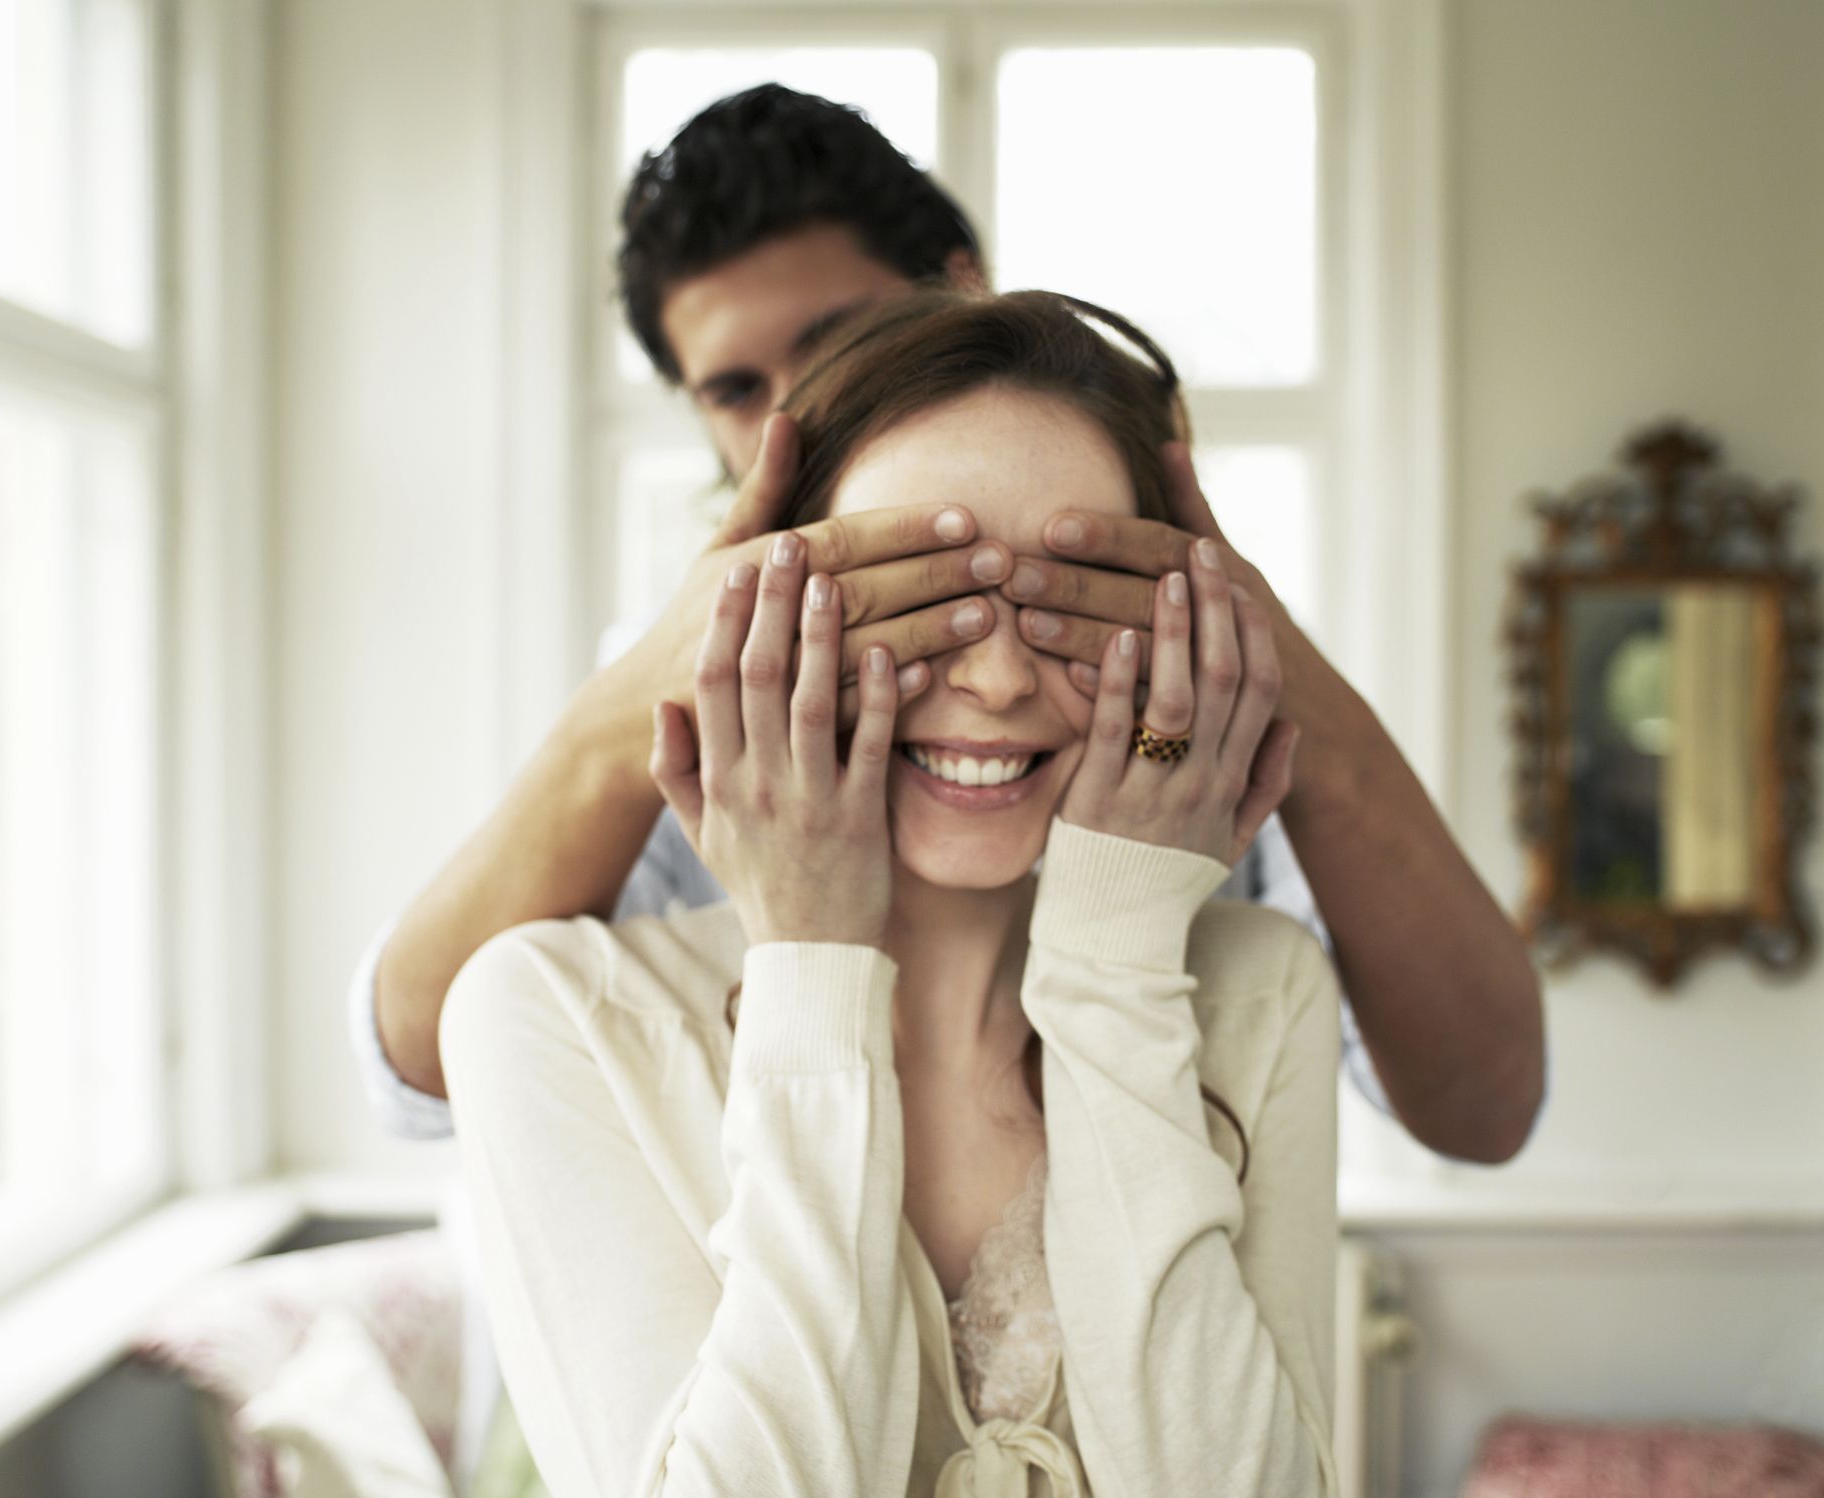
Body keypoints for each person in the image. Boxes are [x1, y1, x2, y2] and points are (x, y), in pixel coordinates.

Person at [350, 84, 1545, 1175]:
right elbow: (421, 1068)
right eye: (733, 390)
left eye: (836, 342)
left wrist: (1287, 697)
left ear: (959, 299)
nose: (800, 410)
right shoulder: (667, 710)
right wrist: (629, 722)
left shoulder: (1173, 706)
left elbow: (1483, 1109)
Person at [440, 288, 1342, 1496]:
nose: (999, 674)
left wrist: (1121, 938)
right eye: (918, 599)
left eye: (1068, 609)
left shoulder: (1263, 991)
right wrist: (811, 957)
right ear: (762, 627)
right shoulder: (549, 1016)